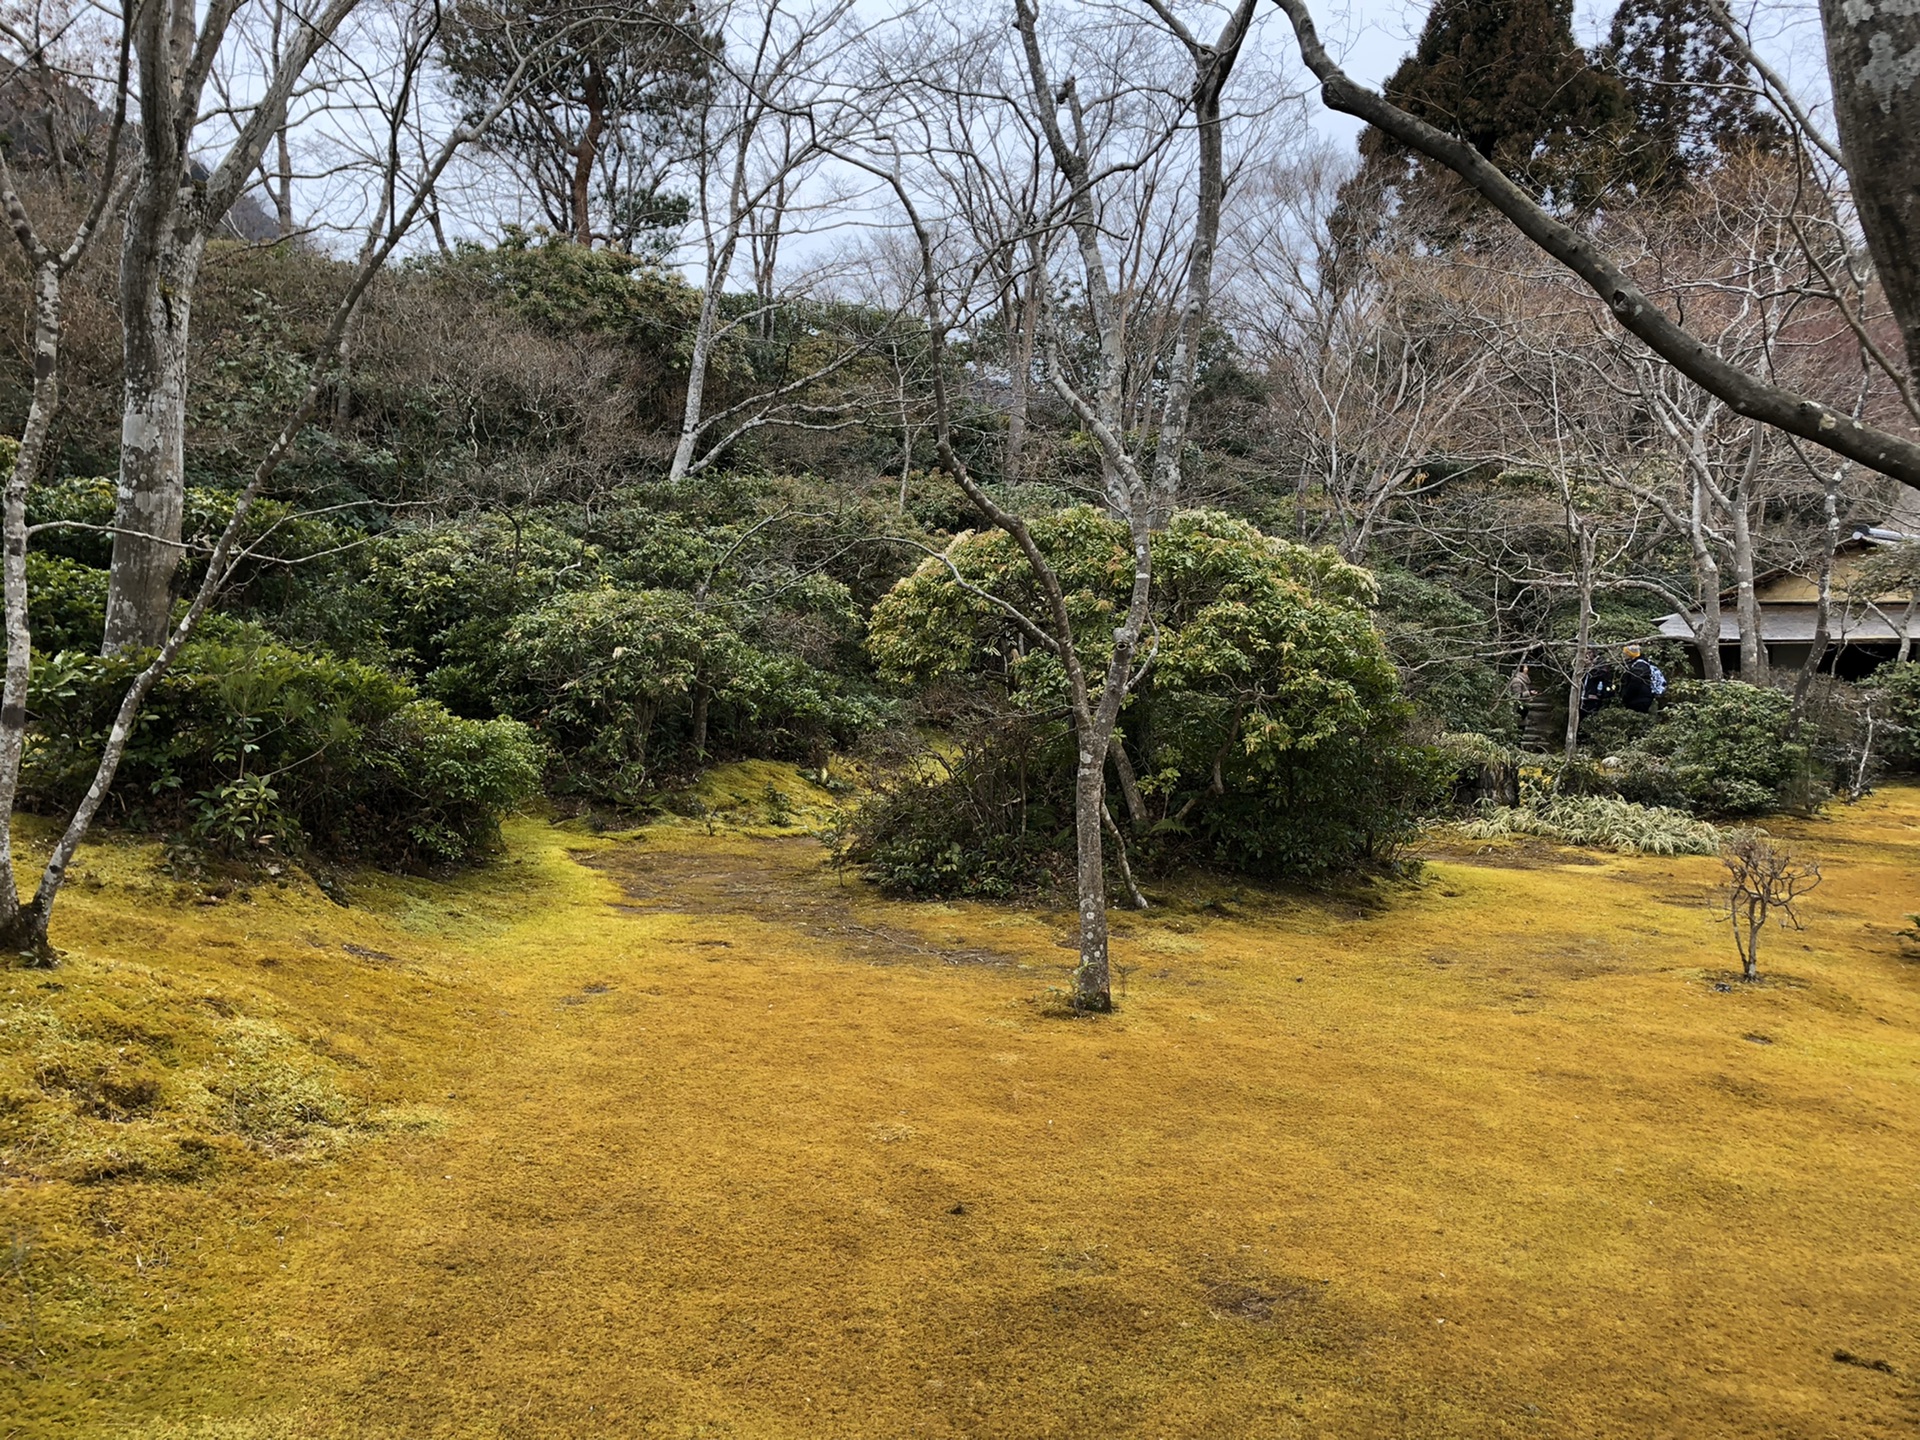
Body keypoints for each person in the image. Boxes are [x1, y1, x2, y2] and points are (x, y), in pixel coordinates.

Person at [1618, 643, 1665, 713]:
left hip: (1638, 700)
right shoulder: (1639, 663)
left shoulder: (1639, 666)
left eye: (1625, 653)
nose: (1624, 655)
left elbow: (1635, 683)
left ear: (1630, 654)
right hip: (1641, 698)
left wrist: (1626, 696)